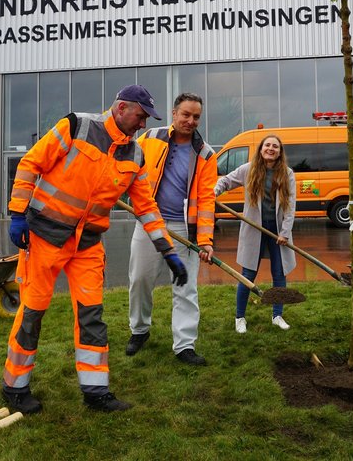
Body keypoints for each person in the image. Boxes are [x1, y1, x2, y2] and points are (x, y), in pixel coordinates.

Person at [2, 85, 187, 414]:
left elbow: (147, 208)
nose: (143, 124)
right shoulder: (76, 126)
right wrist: (17, 213)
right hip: (45, 237)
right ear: (121, 108)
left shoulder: (136, 155)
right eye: (140, 116)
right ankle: (15, 387)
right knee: (32, 314)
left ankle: (96, 392)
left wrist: (168, 251)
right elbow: (31, 164)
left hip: (87, 246)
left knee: (91, 317)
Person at [126, 93, 217, 365]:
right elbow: (128, 164)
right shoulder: (149, 137)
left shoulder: (205, 153)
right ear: (174, 113)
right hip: (148, 222)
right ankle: (139, 330)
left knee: (186, 287)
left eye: (196, 116)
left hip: (184, 229)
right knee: (140, 279)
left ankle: (184, 345)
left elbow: (206, 201)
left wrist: (205, 240)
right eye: (186, 114)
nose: (191, 121)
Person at [214, 134, 296, 333]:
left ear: (279, 152)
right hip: (254, 229)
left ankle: (277, 315)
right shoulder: (248, 169)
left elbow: (290, 205)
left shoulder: (287, 173)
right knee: (247, 274)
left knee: (279, 273)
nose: (270, 148)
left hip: (277, 231)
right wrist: (214, 192)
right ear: (261, 149)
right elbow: (226, 181)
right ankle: (239, 318)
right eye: (267, 145)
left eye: (275, 146)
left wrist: (285, 232)